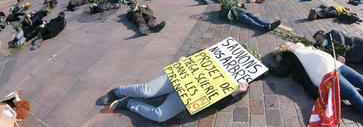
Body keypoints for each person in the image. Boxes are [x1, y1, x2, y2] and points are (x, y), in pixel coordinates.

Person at [266, 42, 363, 127]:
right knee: (352, 93)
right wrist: (267, 68)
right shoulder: (288, 55)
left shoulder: (303, 47)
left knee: (361, 81)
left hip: (336, 65)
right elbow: (282, 72)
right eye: (285, 43)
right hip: (326, 75)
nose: (288, 42)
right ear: (283, 48)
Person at [99, 59, 250, 123]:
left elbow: (217, 104)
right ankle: (117, 92)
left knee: (160, 116)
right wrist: (186, 59)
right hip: (179, 78)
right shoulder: (222, 57)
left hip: (188, 96)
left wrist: (234, 94)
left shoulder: (242, 87)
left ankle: (128, 103)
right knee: (147, 91)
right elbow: (202, 55)